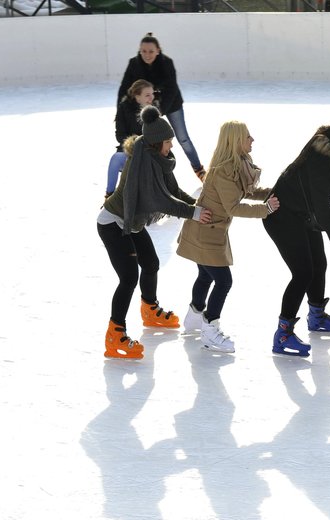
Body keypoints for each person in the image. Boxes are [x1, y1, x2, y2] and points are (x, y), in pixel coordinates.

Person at [97, 105, 212, 359]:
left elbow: (172, 190)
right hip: (113, 223)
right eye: (169, 142)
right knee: (128, 278)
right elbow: (161, 200)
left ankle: (149, 309)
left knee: (150, 263)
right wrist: (193, 213)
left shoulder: (155, 157)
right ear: (157, 142)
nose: (171, 147)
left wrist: (195, 205)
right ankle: (115, 333)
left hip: (130, 222)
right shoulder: (144, 164)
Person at [263, 118, 330, 357]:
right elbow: (320, 200)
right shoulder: (320, 156)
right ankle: (283, 334)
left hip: (305, 216)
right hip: (282, 215)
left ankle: (317, 317)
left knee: (319, 265)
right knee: (303, 273)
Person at [176, 121, 280, 353]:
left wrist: (272, 193)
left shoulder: (237, 165)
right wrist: (267, 210)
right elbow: (234, 207)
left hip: (209, 230)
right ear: (235, 141)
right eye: (248, 136)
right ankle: (210, 330)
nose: (252, 140)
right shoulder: (224, 171)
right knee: (223, 281)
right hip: (205, 233)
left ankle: (194, 318)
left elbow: (247, 192)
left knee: (205, 276)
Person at [117, 33, 206, 182]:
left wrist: (158, 111)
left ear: (158, 50)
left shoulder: (166, 63)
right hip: (146, 105)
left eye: (151, 51)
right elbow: (124, 88)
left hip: (170, 104)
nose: (147, 55)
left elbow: (171, 89)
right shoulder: (134, 64)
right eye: (143, 51)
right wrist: (120, 111)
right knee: (143, 138)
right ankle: (146, 173)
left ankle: (199, 169)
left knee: (183, 138)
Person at [105, 79, 155, 197]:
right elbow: (120, 135)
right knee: (116, 158)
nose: (151, 98)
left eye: (152, 94)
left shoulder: (153, 111)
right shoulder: (124, 108)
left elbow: (159, 136)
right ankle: (109, 195)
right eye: (147, 95)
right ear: (137, 97)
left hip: (149, 154)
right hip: (130, 151)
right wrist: (134, 144)